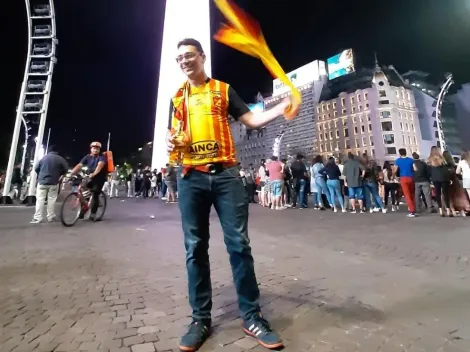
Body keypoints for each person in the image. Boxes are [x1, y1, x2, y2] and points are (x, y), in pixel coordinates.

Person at [166, 38, 291, 351]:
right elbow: (175, 136)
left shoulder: (223, 90)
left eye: (189, 55)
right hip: (190, 177)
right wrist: (170, 145)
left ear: (202, 57)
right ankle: (200, 319)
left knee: (239, 245)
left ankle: (252, 315)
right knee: (195, 248)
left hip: (226, 176)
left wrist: (281, 108)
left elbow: (251, 119)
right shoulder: (176, 97)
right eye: (179, 57)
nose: (184, 61)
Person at [30, 146, 68, 223]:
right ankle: (51, 217)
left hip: (42, 182)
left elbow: (36, 168)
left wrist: (41, 175)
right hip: (54, 182)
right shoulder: (60, 159)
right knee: (52, 199)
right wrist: (59, 174)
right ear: (57, 151)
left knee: (40, 199)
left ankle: (37, 217)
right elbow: (66, 169)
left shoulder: (43, 158)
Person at [71, 141, 107, 221]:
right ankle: (84, 209)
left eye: (97, 149)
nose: (95, 150)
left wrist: (94, 173)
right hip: (89, 177)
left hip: (99, 179)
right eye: (94, 148)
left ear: (99, 150)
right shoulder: (87, 157)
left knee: (95, 194)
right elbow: (79, 165)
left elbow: (100, 166)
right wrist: (71, 173)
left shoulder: (102, 157)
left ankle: (93, 213)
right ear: (91, 149)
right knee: (83, 194)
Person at [394, 148, 416, 217]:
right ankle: (414, 208)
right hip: (411, 178)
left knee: (407, 195)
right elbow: (415, 169)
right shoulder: (411, 160)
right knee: (412, 194)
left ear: (400, 153)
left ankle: (412, 211)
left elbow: (395, 170)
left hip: (403, 178)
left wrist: (394, 176)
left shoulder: (398, 161)